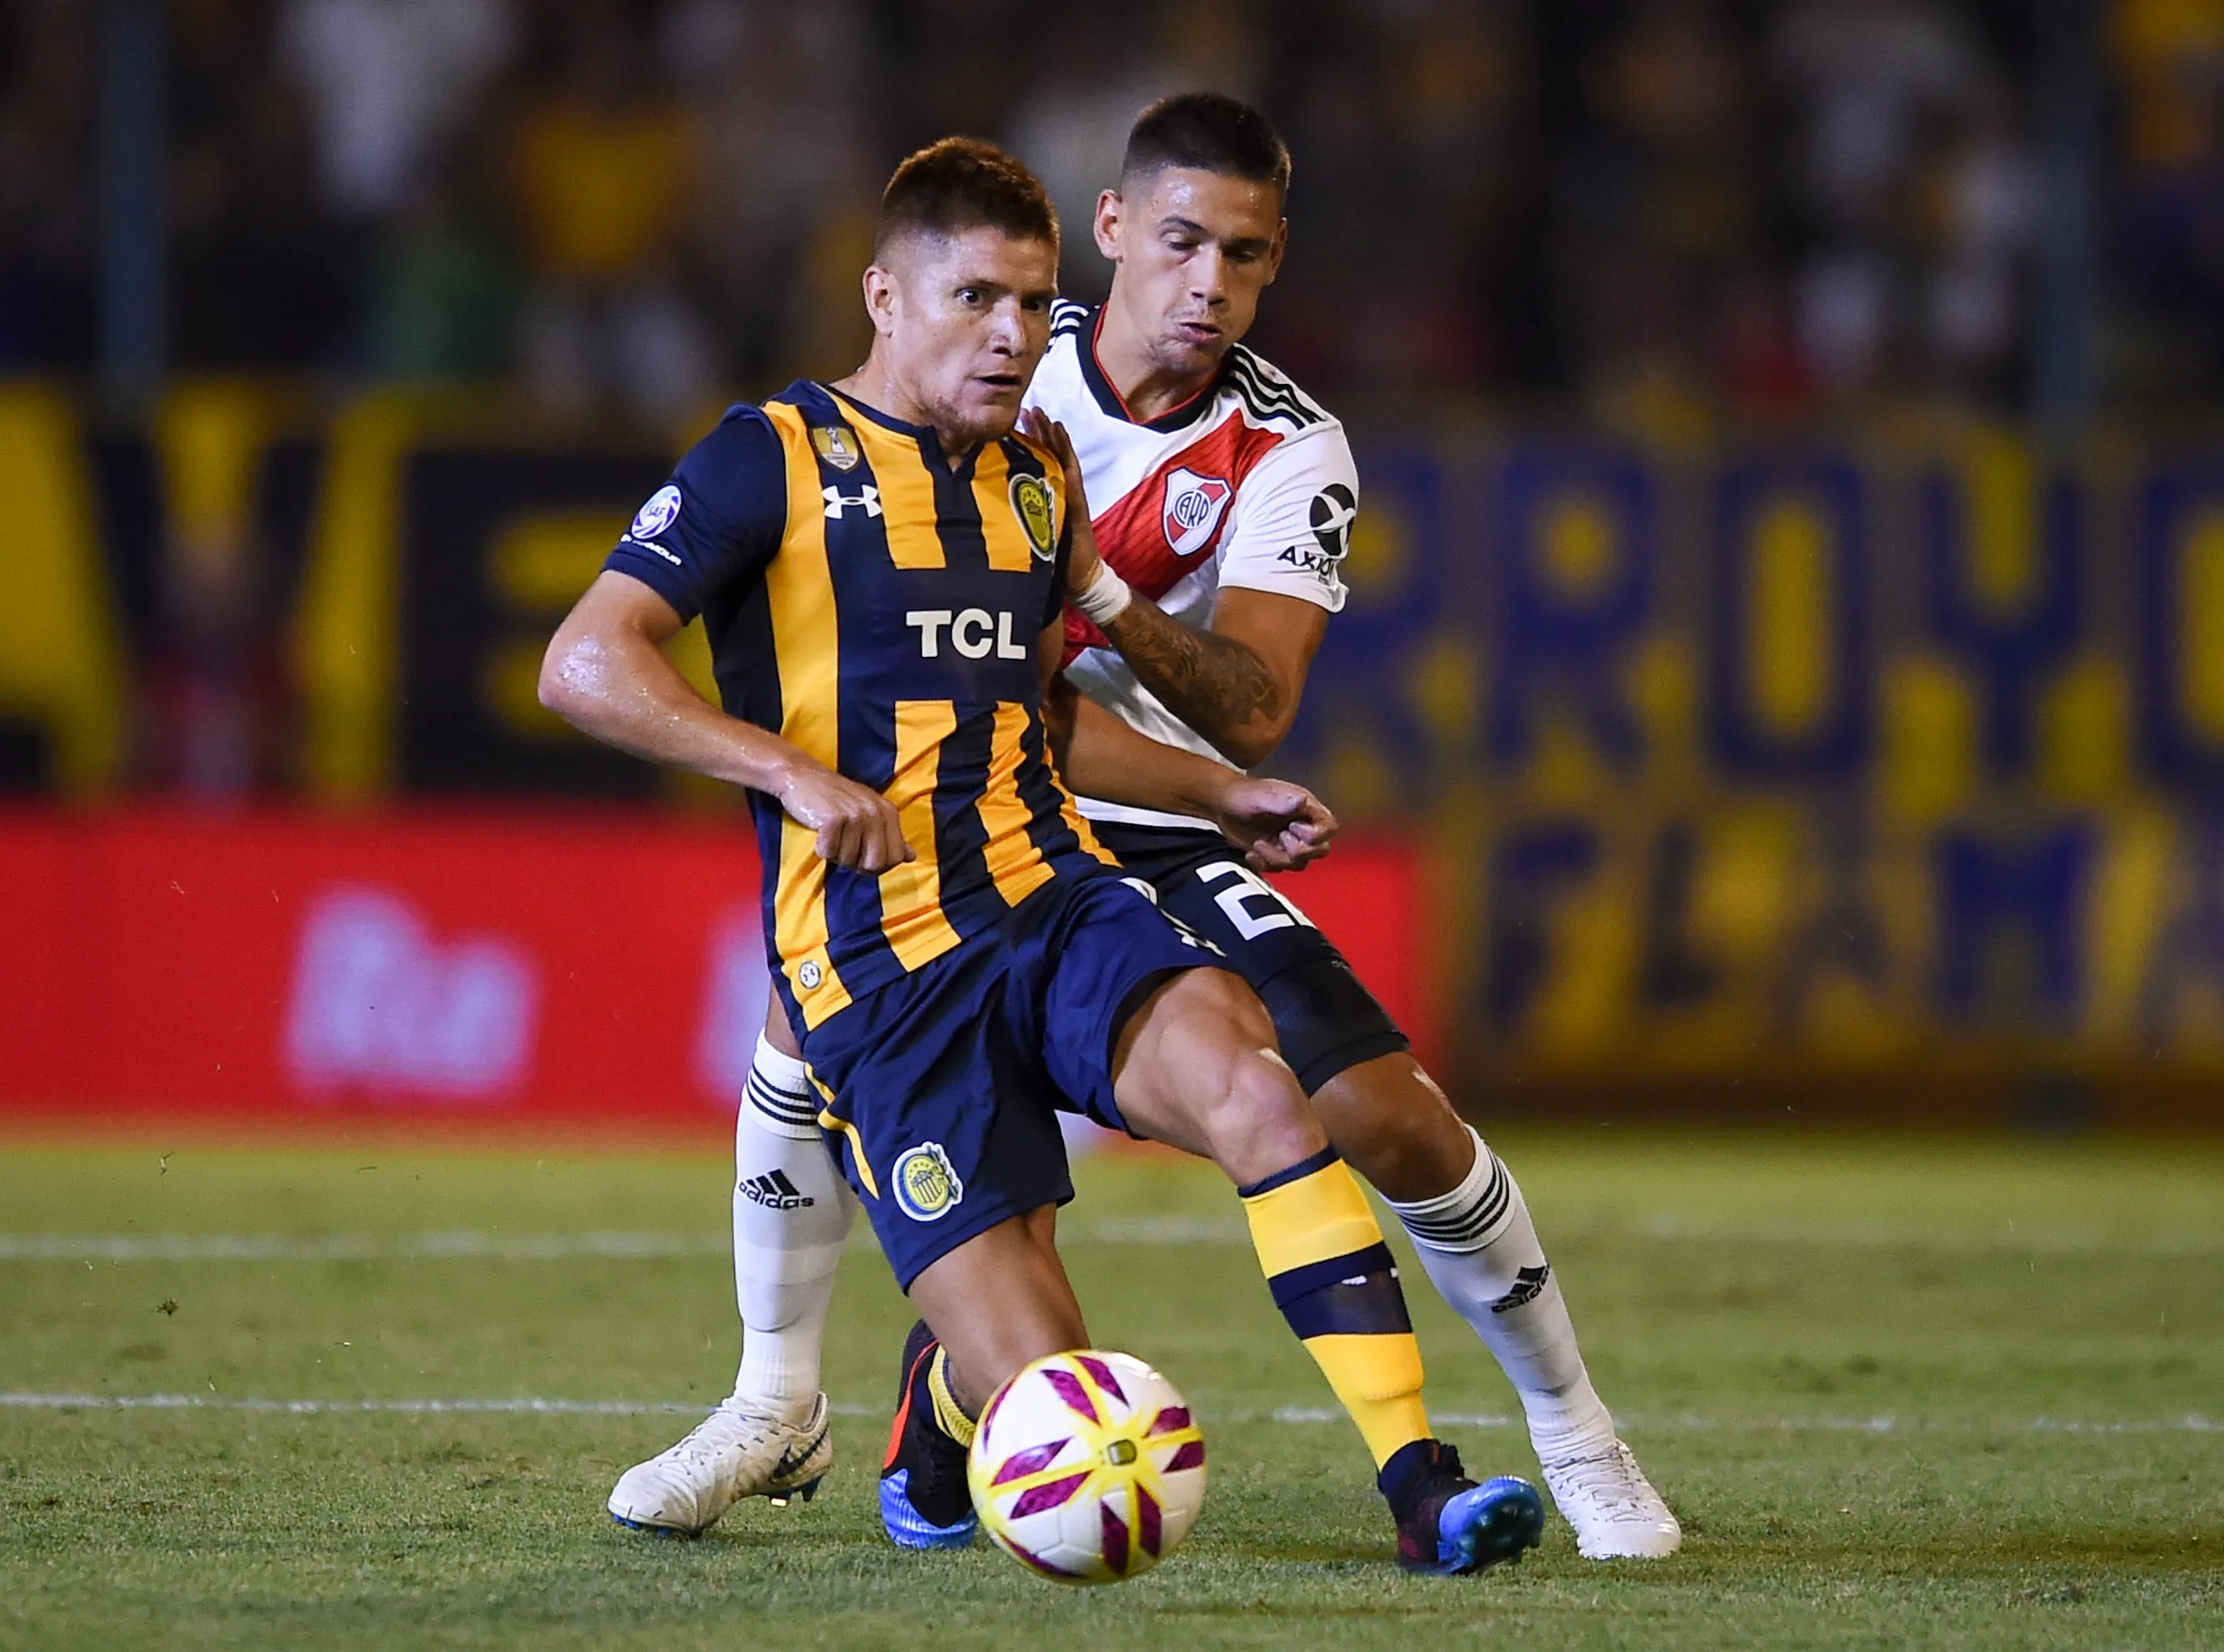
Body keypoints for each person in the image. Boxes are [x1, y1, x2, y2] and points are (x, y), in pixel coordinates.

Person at [620, 97, 1682, 1564]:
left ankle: (1564, 1438)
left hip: (1140, 834)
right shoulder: (979, 367)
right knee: (819, 1008)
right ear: (1110, 234)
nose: (1210, 284)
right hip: (963, 835)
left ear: (1275, 263)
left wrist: (1132, 647)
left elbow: (1247, 706)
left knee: (1371, 1112)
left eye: (1244, 256)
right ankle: (782, 1393)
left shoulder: (1276, 444)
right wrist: (798, 772)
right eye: (1182, 241)